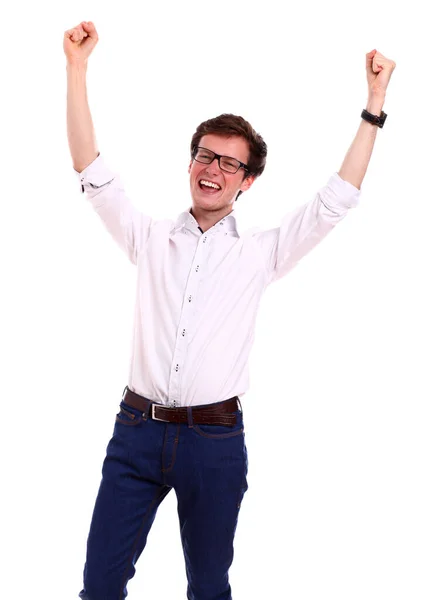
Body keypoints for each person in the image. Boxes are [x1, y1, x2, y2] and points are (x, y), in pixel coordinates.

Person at [64, 20, 396, 600]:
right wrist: (76, 68)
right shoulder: (149, 238)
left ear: (248, 180)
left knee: (209, 587)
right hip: (136, 434)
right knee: (99, 584)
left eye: (228, 164)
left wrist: (374, 104)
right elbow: (91, 169)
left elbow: (336, 200)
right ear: (190, 162)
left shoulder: (260, 252)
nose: (212, 170)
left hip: (213, 443)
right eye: (204, 156)